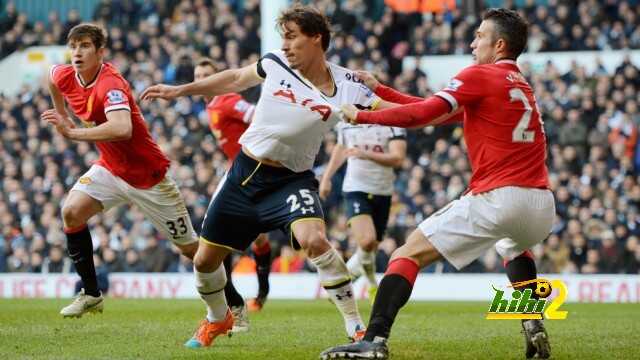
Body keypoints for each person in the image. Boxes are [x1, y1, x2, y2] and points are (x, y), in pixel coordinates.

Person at [142, 4, 396, 349]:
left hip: (291, 180)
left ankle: (355, 326)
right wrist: (180, 90)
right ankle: (218, 318)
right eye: (284, 38)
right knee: (203, 260)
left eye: (292, 37)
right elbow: (233, 79)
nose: (286, 45)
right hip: (243, 176)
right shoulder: (275, 62)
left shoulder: (351, 85)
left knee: (315, 240)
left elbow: (400, 110)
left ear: (316, 38)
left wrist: (450, 108)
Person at [321, 8, 555, 359]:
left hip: (498, 197)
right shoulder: (519, 85)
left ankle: (373, 341)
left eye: (479, 36)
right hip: (540, 206)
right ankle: (532, 321)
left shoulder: (479, 75)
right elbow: (434, 109)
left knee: (406, 254)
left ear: (500, 44)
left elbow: (424, 114)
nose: (473, 42)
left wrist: (363, 114)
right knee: (511, 246)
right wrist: (380, 90)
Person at [42, 23, 200, 318]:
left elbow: (122, 128)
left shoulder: (110, 84)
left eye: (85, 46)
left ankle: (234, 303)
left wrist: (72, 133)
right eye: (74, 46)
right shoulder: (63, 74)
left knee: (193, 251)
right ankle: (91, 294)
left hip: (148, 177)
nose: (77, 52)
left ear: (100, 52)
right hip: (111, 169)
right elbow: (51, 79)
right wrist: (62, 114)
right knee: (71, 212)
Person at [194, 59, 273, 331]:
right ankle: (258, 294)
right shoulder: (210, 105)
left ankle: (236, 307)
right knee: (257, 236)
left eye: (207, 75)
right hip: (240, 173)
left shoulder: (226, 99)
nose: (202, 80)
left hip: (251, 173)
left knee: (217, 236)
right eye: (198, 76)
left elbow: (254, 115)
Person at [319, 119, 406, 302]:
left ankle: (345, 279)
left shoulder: (392, 121)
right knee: (366, 241)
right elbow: (341, 148)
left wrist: (365, 154)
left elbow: (398, 158)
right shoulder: (347, 121)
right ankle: (373, 285)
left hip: (383, 191)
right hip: (355, 189)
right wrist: (327, 177)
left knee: (371, 247)